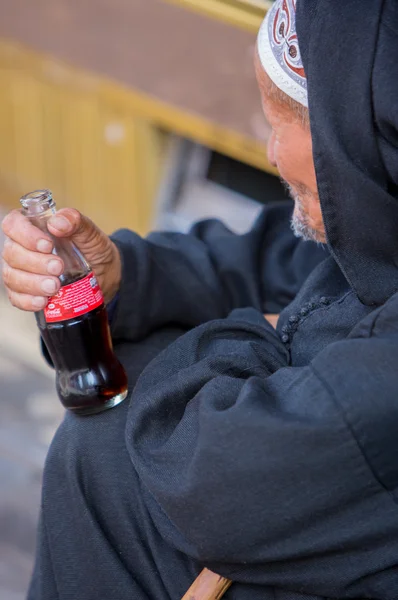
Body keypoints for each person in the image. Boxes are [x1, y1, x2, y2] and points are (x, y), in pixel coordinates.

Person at [2, 0, 398, 597]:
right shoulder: (378, 219)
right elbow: (262, 259)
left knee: (112, 442)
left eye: (281, 122)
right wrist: (125, 274)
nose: (267, 153)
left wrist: (253, 329)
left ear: (356, 136)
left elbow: (215, 484)